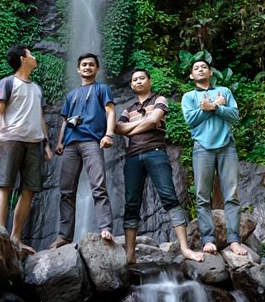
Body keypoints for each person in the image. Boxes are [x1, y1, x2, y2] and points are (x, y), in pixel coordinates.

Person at [115, 68, 204, 264]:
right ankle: (130, 255)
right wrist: (143, 123)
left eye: (141, 78)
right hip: (132, 157)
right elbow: (117, 128)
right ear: (131, 85)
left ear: (149, 81)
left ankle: (184, 248)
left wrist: (131, 129)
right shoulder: (127, 108)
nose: (138, 82)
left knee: (169, 197)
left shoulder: (159, 99)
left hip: (155, 153)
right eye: (134, 80)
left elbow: (154, 119)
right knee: (131, 204)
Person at [181, 59, 248, 255]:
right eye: (196, 68)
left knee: (232, 194)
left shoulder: (225, 92)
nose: (200, 70)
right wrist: (211, 106)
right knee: (202, 196)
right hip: (202, 147)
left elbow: (234, 114)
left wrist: (216, 108)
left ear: (210, 72)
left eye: (204, 67)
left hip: (227, 146)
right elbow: (191, 120)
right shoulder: (189, 96)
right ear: (192, 76)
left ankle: (234, 240)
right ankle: (208, 239)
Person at [50, 53, 115, 249]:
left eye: (91, 65)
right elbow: (65, 121)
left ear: (97, 69)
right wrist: (60, 142)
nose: (87, 67)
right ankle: (64, 236)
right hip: (70, 145)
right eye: (84, 65)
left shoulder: (102, 89)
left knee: (98, 186)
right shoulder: (71, 95)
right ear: (78, 69)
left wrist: (109, 134)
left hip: (92, 142)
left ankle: (106, 228)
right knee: (66, 191)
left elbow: (110, 111)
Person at [0, 44, 52, 253]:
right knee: (5, 185)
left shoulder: (37, 89)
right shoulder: (7, 82)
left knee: (29, 189)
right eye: (31, 55)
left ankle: (15, 238)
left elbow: (40, 117)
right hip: (12, 138)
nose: (35, 58)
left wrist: (46, 143)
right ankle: (0, 235)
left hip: (34, 142)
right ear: (22, 59)